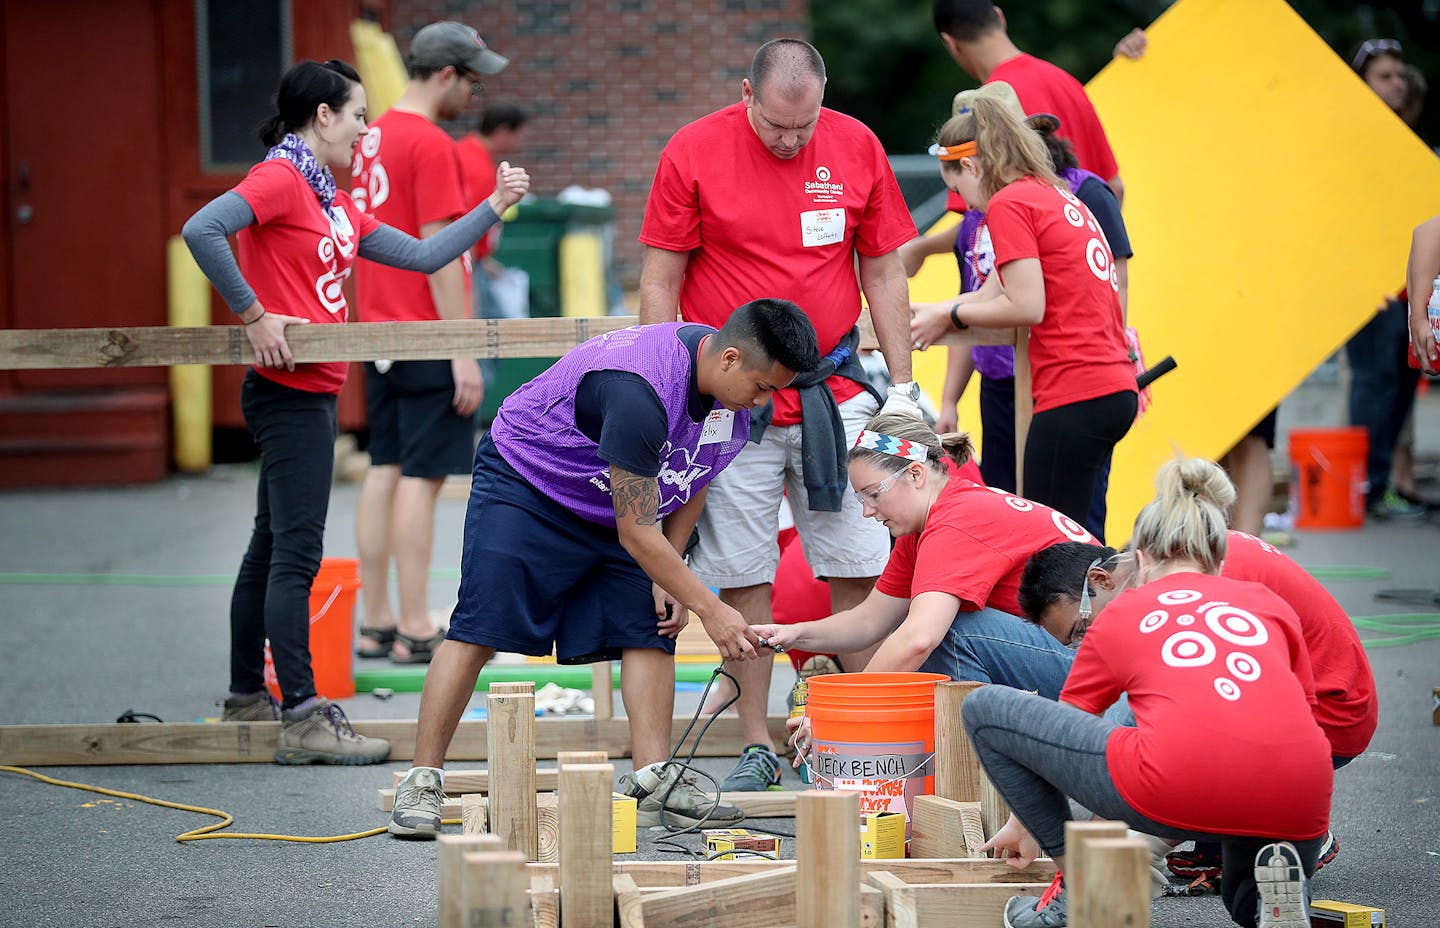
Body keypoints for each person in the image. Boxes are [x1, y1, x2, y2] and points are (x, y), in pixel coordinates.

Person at [181, 59, 529, 763]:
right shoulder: (281, 177)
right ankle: (303, 715)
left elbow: (427, 253)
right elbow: (202, 231)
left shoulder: (329, 200)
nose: (365, 128)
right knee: (295, 553)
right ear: (323, 118)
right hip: (289, 392)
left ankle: (247, 695)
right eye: (358, 114)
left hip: (311, 391)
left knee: (269, 547)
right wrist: (253, 313)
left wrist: (491, 207)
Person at [388, 300, 822, 837]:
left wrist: (674, 571)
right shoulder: (639, 389)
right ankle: (422, 778)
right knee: (480, 626)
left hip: (621, 499)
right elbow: (635, 533)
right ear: (730, 358)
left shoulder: (732, 391)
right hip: (531, 481)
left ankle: (653, 775)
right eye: (761, 387)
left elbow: (697, 468)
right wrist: (711, 607)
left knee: (650, 625)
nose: (765, 402)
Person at [637, 38, 919, 792]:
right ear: (745, 94)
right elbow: (661, 278)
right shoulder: (693, 150)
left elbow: (884, 267)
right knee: (740, 572)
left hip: (833, 390)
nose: (792, 142)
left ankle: (866, 732)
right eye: (775, 127)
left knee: (862, 558)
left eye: (805, 126)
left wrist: (904, 385)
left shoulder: (856, 145)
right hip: (736, 402)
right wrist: (669, 389)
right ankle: (759, 739)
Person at [962, 458, 1332, 928]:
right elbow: (1306, 711)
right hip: (1300, 789)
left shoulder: (1124, 609)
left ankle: (1080, 882)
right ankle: (1267, 904)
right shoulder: (1268, 603)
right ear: (1219, 558)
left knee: (985, 711)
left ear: (1139, 559)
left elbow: (1068, 728)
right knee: (1245, 899)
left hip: (1176, 784)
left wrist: (1029, 819)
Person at [1018, 527, 1376, 885]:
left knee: (1159, 738)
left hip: (1330, 717)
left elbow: (1177, 727)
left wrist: (1110, 846)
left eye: (1082, 628)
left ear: (1101, 579)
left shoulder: (1197, 582)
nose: (1087, 641)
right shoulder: (1189, 556)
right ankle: (1254, 830)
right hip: (1314, 711)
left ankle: (1283, 828)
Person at [910, 82, 1133, 540]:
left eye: (961, 192)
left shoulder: (1009, 203)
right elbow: (991, 290)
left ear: (970, 165)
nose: (969, 208)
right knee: (1074, 536)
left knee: (1052, 542)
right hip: (1106, 385)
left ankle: (1095, 613)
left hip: (1077, 389)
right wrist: (935, 310)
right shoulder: (1044, 191)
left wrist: (950, 318)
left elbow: (1026, 305)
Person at [752, 412, 1099, 697]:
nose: (867, 512)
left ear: (916, 474)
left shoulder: (954, 521)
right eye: (861, 499)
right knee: (930, 631)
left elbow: (920, 638)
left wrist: (847, 704)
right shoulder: (926, 527)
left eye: (874, 495)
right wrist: (796, 634)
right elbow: (869, 621)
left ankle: (965, 773)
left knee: (946, 633)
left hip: (1094, 661)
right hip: (1085, 651)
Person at [931, 0, 1123, 205]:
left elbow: (978, 213)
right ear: (1000, 17)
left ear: (950, 43)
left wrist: (919, 239)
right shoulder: (1066, 81)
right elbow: (1115, 187)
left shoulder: (985, 109)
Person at [1345, 38, 1426, 520]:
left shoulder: (1409, 144)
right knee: (1376, 382)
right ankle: (1366, 488)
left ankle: (1379, 485)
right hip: (1370, 293)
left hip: (1410, 287)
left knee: (1403, 380)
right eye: (1384, 77)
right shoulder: (1350, 146)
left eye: (1399, 76)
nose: (1397, 84)